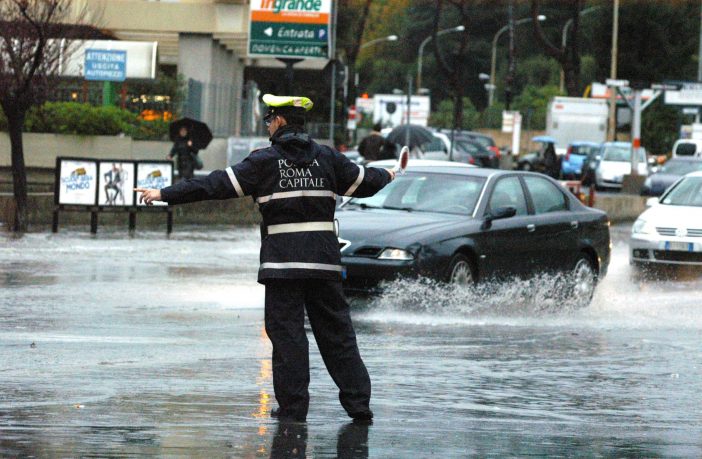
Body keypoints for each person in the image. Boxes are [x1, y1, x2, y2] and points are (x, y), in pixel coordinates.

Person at [136, 94, 396, 423]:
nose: (267, 126)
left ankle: (293, 411)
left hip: (282, 267)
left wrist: (164, 194)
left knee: (288, 338)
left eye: (269, 120)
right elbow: (367, 182)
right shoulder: (329, 159)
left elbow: (214, 185)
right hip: (323, 265)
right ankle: (359, 406)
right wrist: (390, 173)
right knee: (338, 336)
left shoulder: (264, 162)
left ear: (281, 122)